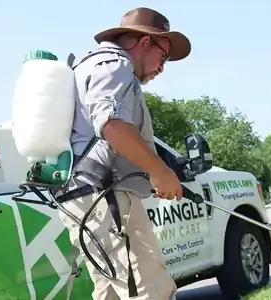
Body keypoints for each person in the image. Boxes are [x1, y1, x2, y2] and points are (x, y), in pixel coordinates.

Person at [57, 7, 192, 300]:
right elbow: (112, 125)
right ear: (144, 42)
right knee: (149, 290)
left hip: (84, 197)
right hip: (105, 196)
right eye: (164, 56)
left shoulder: (86, 67)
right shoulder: (115, 64)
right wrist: (159, 171)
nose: (162, 67)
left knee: (113, 292)